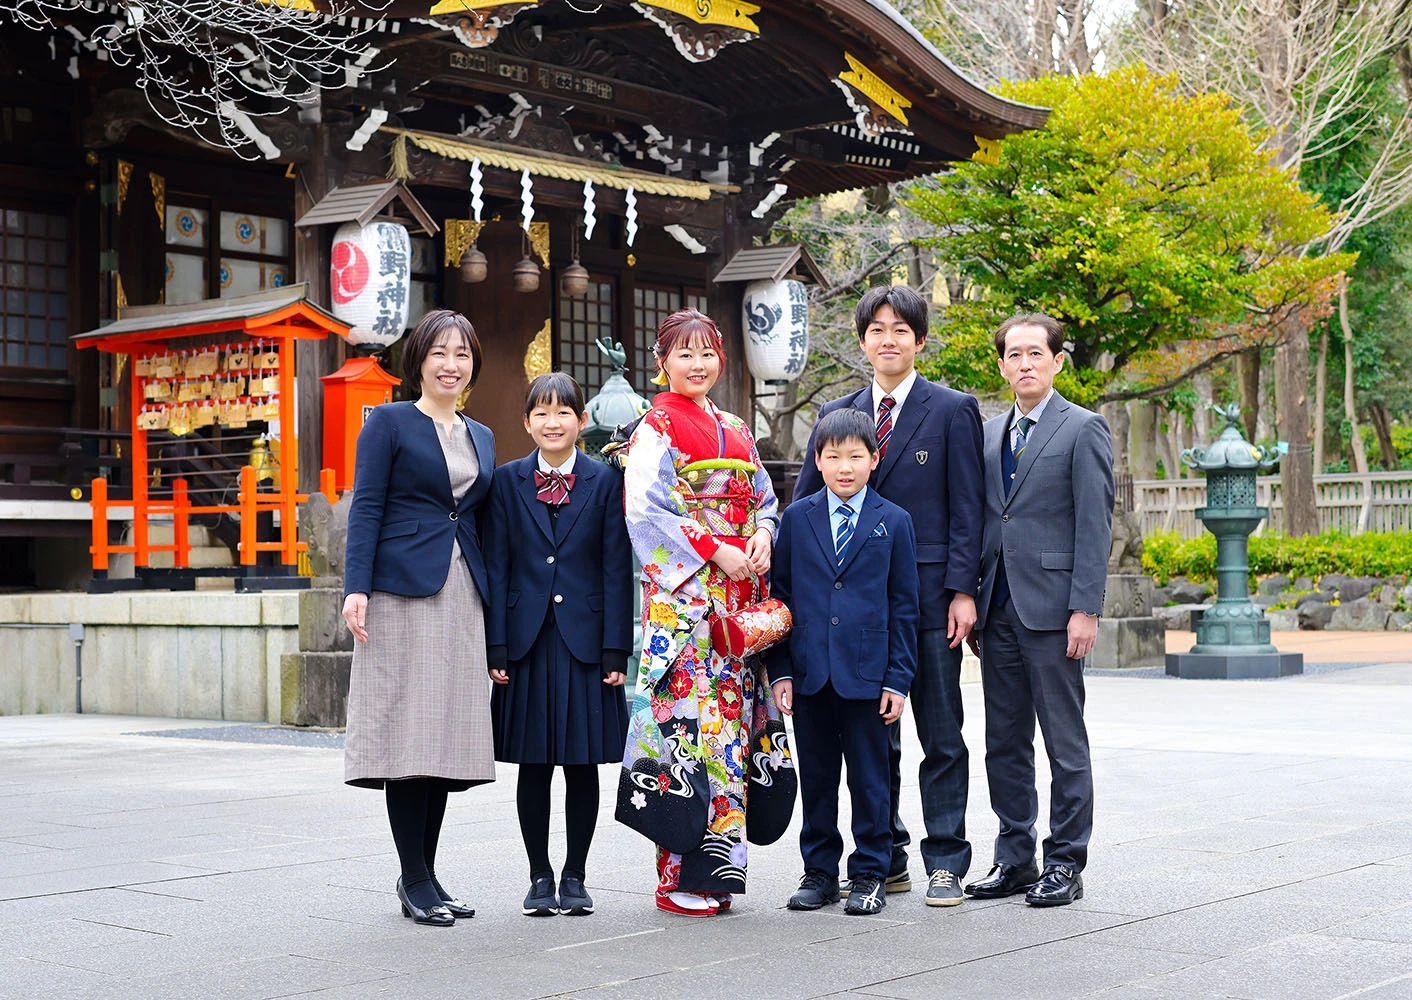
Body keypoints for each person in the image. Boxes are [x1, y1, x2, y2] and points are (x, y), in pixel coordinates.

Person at [794, 285, 984, 907]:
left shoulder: (952, 408)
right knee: (877, 739)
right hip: (849, 618)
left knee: (940, 732)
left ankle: (945, 859)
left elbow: (967, 510)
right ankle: (887, 857)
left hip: (928, 602)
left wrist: (962, 590)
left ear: (919, 339)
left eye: (901, 329)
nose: (889, 339)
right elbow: (802, 506)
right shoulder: (839, 414)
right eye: (877, 329)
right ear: (862, 341)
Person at [620, 308, 780, 917]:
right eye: (683, 354)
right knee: (686, 734)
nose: (697, 364)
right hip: (685, 608)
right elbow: (647, 510)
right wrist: (716, 547)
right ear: (662, 362)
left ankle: (720, 874)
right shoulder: (654, 426)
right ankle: (677, 877)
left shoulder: (736, 426)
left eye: (707, 352)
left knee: (731, 733)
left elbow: (763, 497)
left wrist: (764, 533)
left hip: (736, 604)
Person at [341, 309, 497, 927]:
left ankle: (427, 877)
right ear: (419, 361)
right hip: (401, 592)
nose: (450, 364)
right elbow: (367, 506)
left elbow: (479, 518)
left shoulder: (480, 435)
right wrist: (357, 588)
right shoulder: (388, 422)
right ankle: (413, 878)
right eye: (439, 352)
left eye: (461, 353)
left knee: (443, 738)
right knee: (410, 733)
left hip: (462, 592)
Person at [965, 312, 1113, 907]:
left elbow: (1095, 524)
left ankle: (1066, 863)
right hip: (997, 605)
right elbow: (984, 519)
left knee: (1063, 741)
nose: (1024, 364)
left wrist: (1086, 608)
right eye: (1014, 355)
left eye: (1035, 354)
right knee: (1003, 740)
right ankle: (1014, 857)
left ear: (1056, 361)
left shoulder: (1084, 429)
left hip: (1054, 611)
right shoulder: (986, 432)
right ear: (1001, 365)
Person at [485, 372, 632, 918]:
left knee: (581, 764)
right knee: (533, 765)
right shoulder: (505, 482)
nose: (553, 422)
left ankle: (576, 875)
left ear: (581, 420)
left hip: (587, 644)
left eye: (563, 412)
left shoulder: (604, 481)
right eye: (542, 413)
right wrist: (495, 647)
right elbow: (497, 565)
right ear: (526, 423)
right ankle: (538, 876)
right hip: (525, 642)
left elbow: (619, 568)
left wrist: (617, 650)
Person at [768, 408, 919, 916]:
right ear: (818, 460)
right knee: (817, 775)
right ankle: (819, 872)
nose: (845, 467)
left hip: (868, 674)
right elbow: (781, 598)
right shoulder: (798, 517)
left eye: (856, 456)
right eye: (833, 457)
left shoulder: (894, 522)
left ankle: (872, 872)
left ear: (875, 459)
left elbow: (904, 606)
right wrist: (781, 669)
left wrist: (898, 680)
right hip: (810, 671)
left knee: (871, 778)